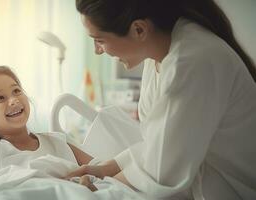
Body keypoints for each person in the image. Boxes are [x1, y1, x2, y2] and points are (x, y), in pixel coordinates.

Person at [67, 0, 256, 199]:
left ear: (139, 30)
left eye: (100, 40)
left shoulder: (193, 60)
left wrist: (103, 187)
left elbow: (163, 171)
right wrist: (107, 168)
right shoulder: (158, 58)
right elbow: (160, 143)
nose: (97, 50)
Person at [0, 66, 97, 191]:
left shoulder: (57, 141)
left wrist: (86, 181)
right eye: (0, 98)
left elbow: (103, 169)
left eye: (16, 91)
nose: (14, 100)